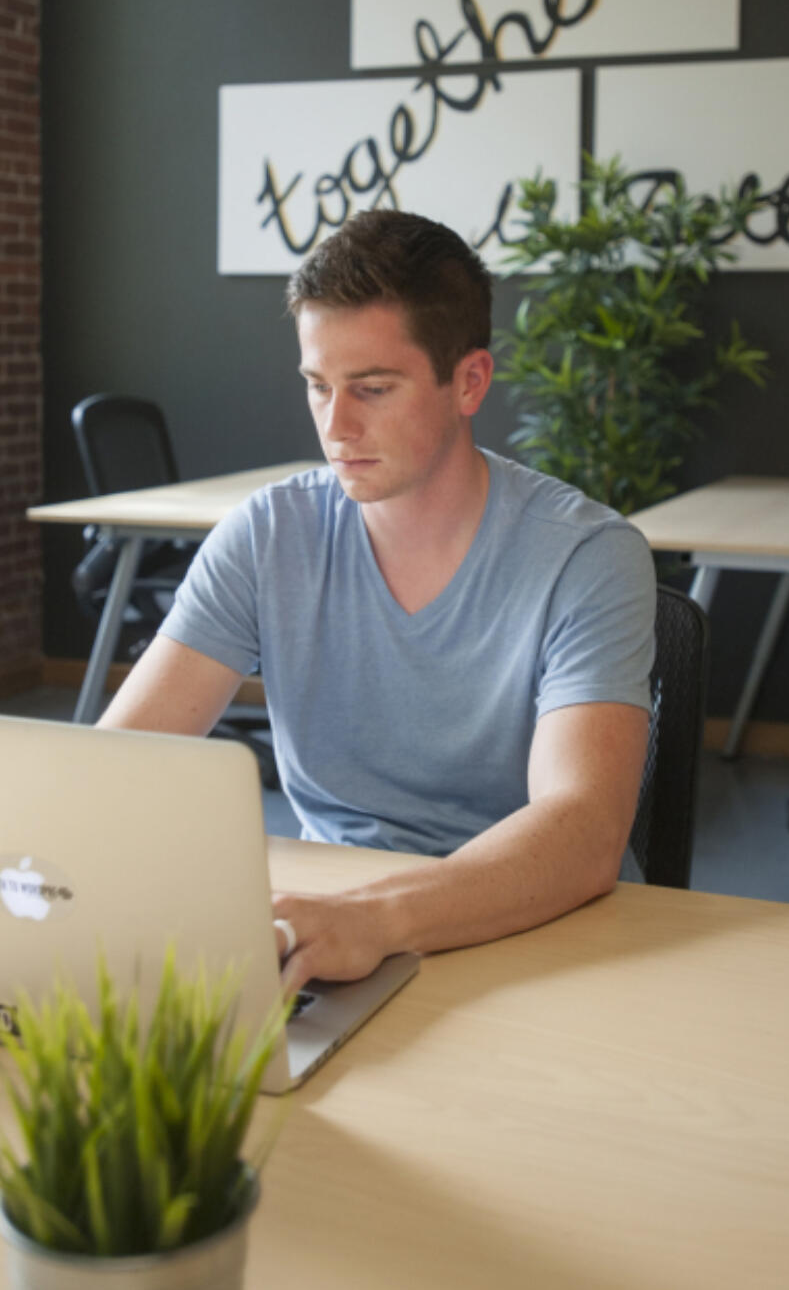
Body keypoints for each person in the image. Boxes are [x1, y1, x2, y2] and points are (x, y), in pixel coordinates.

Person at [100, 210, 655, 989]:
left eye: (372, 388)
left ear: (469, 381)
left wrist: (382, 919)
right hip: (333, 925)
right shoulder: (268, 534)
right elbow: (116, 767)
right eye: (318, 386)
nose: (337, 425)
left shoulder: (587, 555)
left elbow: (584, 834)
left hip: (536, 934)